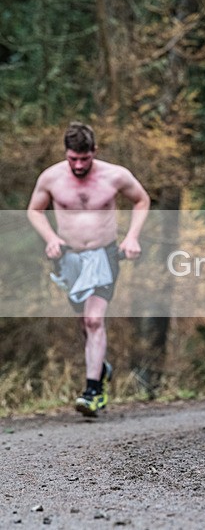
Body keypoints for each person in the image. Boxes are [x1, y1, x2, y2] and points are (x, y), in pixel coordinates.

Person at [27, 122, 150, 417]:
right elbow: (34, 210)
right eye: (73, 159)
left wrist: (132, 236)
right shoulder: (51, 178)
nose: (79, 165)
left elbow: (142, 200)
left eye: (85, 159)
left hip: (103, 255)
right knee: (85, 323)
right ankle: (102, 367)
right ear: (66, 153)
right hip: (69, 259)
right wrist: (51, 238)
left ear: (94, 151)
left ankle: (93, 391)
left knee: (95, 320)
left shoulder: (115, 175)